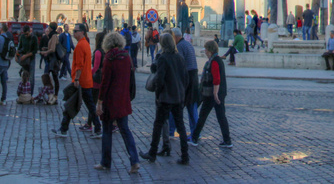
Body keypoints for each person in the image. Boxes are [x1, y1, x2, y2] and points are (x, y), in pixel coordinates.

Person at [94, 33, 141, 173]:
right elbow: (131, 78)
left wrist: (100, 101)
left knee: (107, 131)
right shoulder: (126, 56)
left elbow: (105, 82)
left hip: (110, 100)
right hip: (123, 98)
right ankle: (135, 160)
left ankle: (105, 162)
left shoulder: (109, 57)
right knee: (125, 130)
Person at [145, 33, 189, 165]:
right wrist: (182, 91)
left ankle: (152, 152)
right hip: (178, 96)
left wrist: (158, 94)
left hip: (166, 97)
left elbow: (160, 79)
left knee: (158, 125)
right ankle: (185, 155)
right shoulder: (179, 58)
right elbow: (185, 78)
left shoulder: (163, 58)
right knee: (180, 126)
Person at [56, 27, 98, 137]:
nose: (73, 33)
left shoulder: (80, 46)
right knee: (90, 107)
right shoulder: (85, 44)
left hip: (81, 82)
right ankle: (97, 129)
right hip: (86, 80)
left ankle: (63, 129)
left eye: (76, 31)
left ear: (82, 32)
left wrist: (77, 79)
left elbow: (79, 65)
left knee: (71, 105)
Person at [193, 41, 233, 148]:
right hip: (218, 93)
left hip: (212, 94)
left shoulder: (214, 62)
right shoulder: (217, 60)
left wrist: (215, 93)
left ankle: (194, 138)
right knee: (221, 116)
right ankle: (227, 140)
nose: (205, 52)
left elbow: (216, 79)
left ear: (210, 51)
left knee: (203, 115)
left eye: (206, 50)